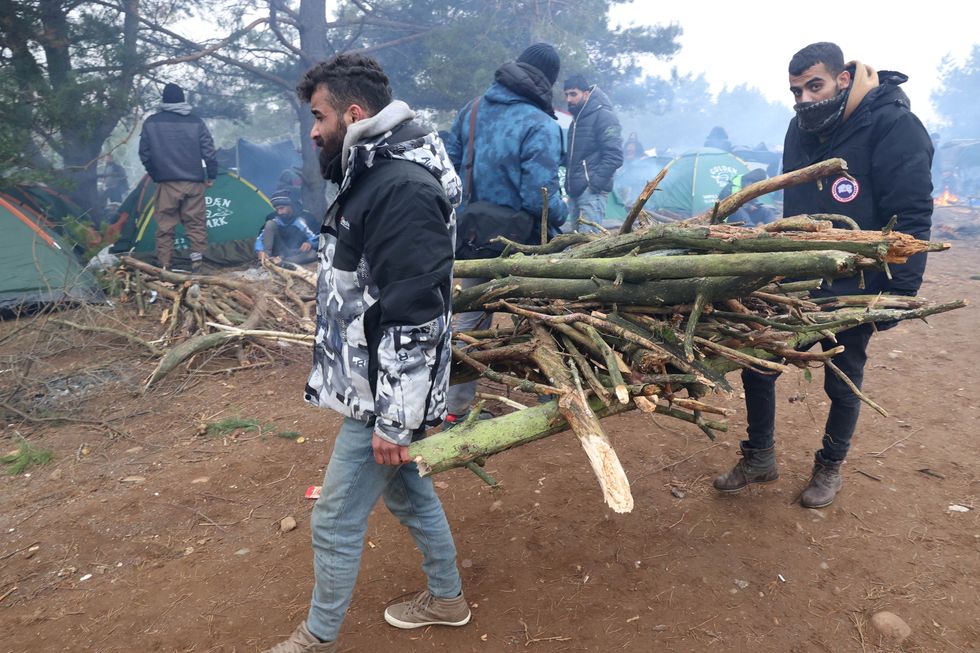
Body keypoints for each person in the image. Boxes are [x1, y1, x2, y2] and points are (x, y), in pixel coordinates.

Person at [263, 54, 468, 653]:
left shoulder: (400, 188)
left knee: (332, 519)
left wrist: (395, 419)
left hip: (384, 391)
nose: (312, 129)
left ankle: (317, 639)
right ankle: (448, 597)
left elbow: (415, 311)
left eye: (319, 115)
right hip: (372, 380)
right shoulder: (370, 174)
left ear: (354, 115)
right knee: (408, 491)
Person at [713, 42, 933, 508]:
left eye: (815, 86)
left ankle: (829, 467)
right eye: (796, 92)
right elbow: (792, 199)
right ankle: (760, 458)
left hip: (858, 280)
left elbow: (911, 213)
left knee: (842, 373)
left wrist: (902, 289)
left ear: (843, 79)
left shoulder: (894, 125)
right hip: (797, 278)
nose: (805, 100)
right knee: (759, 361)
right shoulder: (800, 129)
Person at [442, 43, 568, 426]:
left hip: (472, 236)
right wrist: (564, 218)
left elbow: (445, 165)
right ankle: (555, 395)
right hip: (522, 244)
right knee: (544, 313)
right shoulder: (541, 124)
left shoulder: (473, 109)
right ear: (548, 80)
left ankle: (454, 409)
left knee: (471, 319)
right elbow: (541, 196)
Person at [138, 82, 217, 272]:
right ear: (183, 99)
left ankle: (165, 266)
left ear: (164, 100)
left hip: (166, 183)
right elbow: (209, 151)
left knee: (165, 226)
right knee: (196, 224)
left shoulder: (152, 122)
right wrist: (211, 175)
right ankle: (197, 263)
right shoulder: (195, 122)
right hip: (194, 182)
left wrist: (156, 174)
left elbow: (144, 154)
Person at [563, 74, 624, 232]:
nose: (568, 99)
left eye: (573, 94)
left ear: (586, 93)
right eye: (566, 94)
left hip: (592, 193)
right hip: (575, 193)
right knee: (576, 245)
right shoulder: (576, 121)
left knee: (588, 244)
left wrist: (594, 185)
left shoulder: (604, 116)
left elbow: (615, 156)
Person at [255, 192, 318, 265]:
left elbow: (318, 236)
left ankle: (281, 262)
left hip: (298, 251)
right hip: (280, 250)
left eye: (282, 208)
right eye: (277, 209)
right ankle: (266, 259)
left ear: (290, 205)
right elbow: (261, 237)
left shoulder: (306, 217)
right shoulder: (273, 217)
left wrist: (309, 243)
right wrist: (259, 250)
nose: (280, 212)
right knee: (269, 224)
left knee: (313, 254)